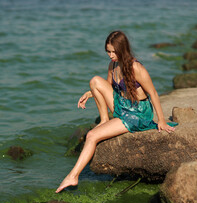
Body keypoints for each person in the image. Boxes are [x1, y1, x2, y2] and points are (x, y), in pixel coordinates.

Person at [55, 30, 177, 193]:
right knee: (94, 81)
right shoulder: (113, 65)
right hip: (122, 105)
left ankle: (73, 176)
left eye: (114, 52)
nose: (110, 55)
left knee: (92, 136)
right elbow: (108, 87)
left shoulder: (136, 67)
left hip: (137, 113)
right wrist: (90, 94)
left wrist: (161, 120)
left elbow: (153, 93)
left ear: (122, 50)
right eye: (108, 51)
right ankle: (105, 120)